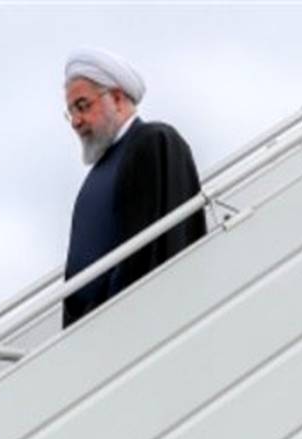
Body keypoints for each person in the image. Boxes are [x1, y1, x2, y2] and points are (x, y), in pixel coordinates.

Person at [62, 48, 207, 327]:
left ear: (117, 99)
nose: (76, 122)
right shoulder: (95, 176)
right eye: (71, 113)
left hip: (132, 324)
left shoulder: (152, 142)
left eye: (83, 106)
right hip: (94, 331)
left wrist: (118, 320)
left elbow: (155, 249)